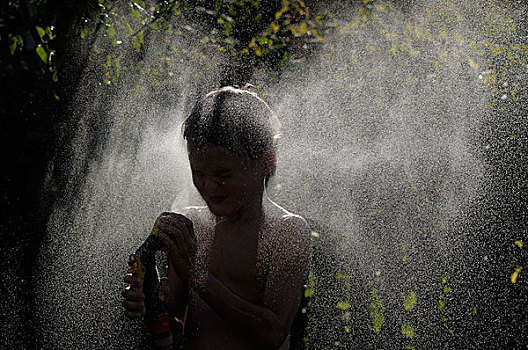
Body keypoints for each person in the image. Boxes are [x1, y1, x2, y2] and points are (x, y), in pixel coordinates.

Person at [122, 86, 311, 349]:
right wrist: (150, 304)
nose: (209, 187)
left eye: (223, 174)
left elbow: (273, 333)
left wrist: (197, 276)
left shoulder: (286, 231)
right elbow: (174, 325)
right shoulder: (192, 226)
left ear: (267, 161)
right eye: (199, 173)